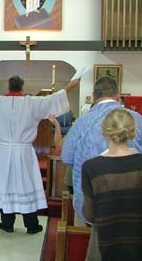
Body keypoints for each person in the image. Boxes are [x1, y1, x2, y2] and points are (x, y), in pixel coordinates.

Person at [0, 74, 80, 234]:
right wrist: (71, 85)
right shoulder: (32, 103)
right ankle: (31, 225)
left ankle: (7, 223)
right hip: (23, 153)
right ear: (22, 87)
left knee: (6, 183)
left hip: (2, 153)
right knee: (26, 184)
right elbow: (53, 99)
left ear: (8, 87)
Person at [61, 76, 142, 260]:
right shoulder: (136, 118)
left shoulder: (83, 121)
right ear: (118, 95)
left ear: (94, 96)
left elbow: (66, 157)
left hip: (96, 211)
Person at [82, 108, 142, 260]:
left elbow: (89, 214)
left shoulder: (91, 167)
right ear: (132, 131)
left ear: (104, 132)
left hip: (104, 242)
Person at [47, 113, 73, 194]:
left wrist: (57, 125)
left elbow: (59, 146)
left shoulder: (80, 125)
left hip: (76, 176)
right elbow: (59, 146)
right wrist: (57, 125)